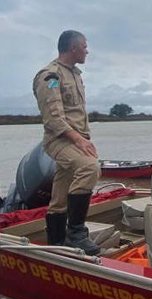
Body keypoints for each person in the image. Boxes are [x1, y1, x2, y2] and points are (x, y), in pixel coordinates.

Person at [33, 30, 100, 255]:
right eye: (84, 46)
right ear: (73, 48)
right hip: (59, 139)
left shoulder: (75, 74)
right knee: (90, 167)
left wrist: (83, 138)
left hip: (76, 139)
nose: (87, 50)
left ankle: (56, 241)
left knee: (61, 191)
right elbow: (53, 119)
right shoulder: (50, 76)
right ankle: (76, 233)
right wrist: (78, 140)